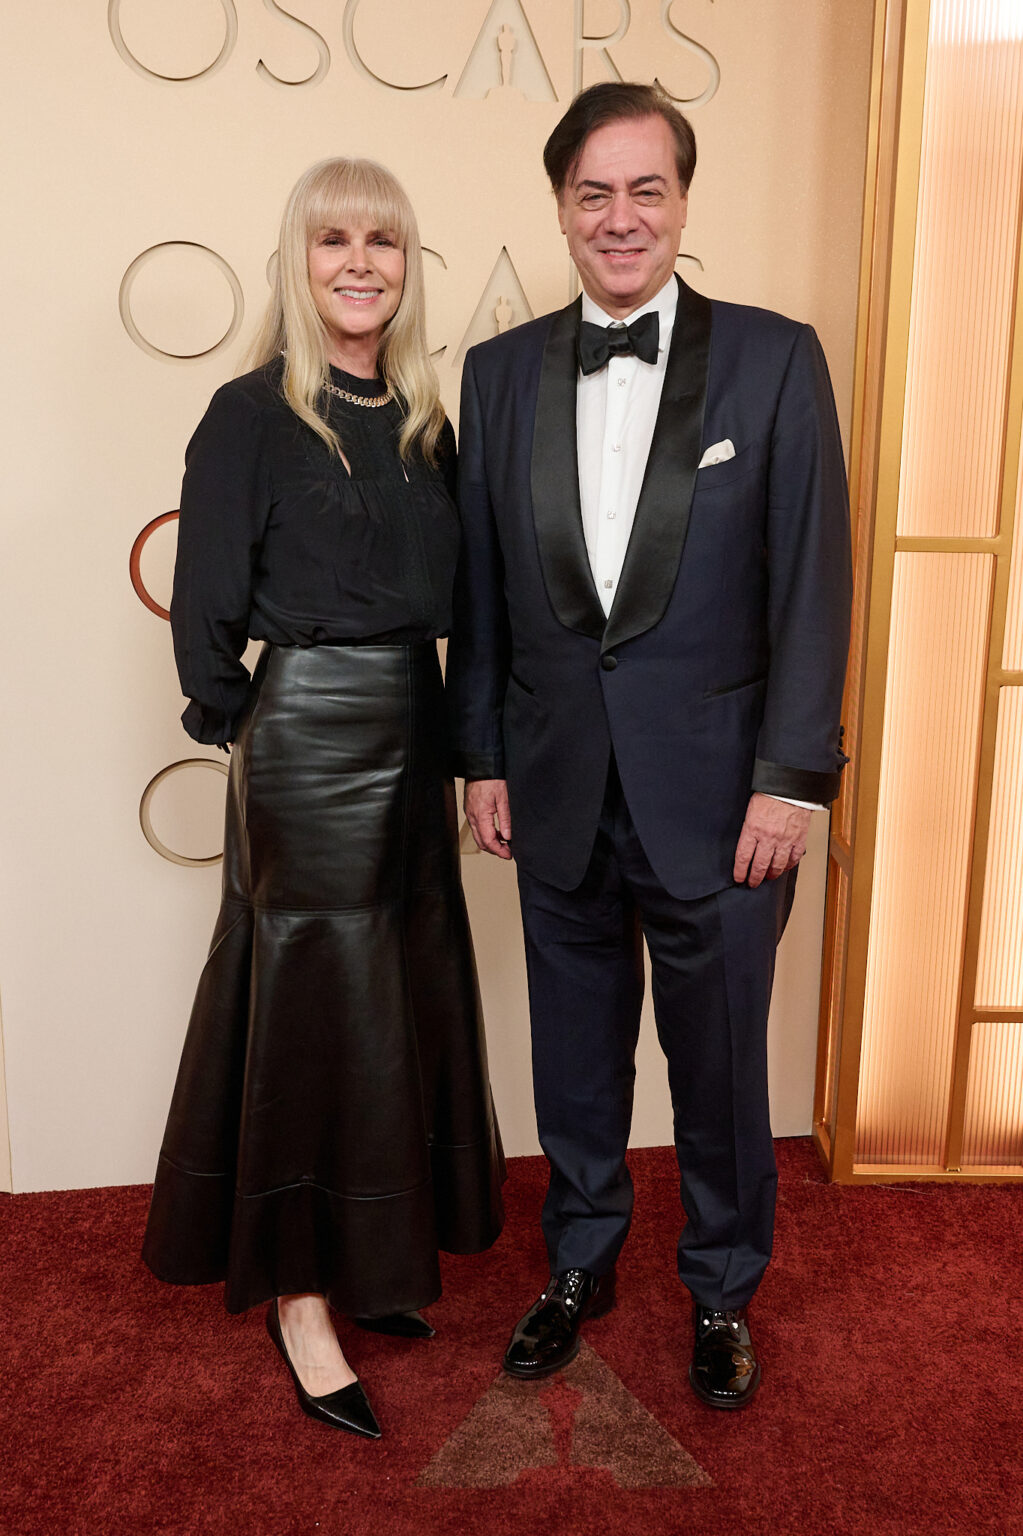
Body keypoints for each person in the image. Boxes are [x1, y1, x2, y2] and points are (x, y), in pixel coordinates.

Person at [446, 82, 851, 1410]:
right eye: (591, 193)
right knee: (571, 1055)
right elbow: (482, 594)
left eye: (645, 190)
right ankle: (577, 1264)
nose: (618, 218)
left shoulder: (774, 358)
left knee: (722, 1066)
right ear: (559, 207)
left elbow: (809, 582)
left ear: (680, 199)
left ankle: (722, 1288)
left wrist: (791, 781)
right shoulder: (498, 373)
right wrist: (481, 754)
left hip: (723, 801)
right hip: (554, 783)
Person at [142, 157, 505, 1439]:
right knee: (308, 1015)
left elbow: (462, 620)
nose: (361, 262)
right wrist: (250, 727)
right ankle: (301, 1299)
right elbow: (203, 617)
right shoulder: (249, 415)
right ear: (298, 260)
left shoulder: (423, 426)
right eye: (334, 240)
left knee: (394, 1001)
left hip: (415, 736)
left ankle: (371, 1260)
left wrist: (473, 756)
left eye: (386, 242)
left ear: (409, 266)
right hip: (306, 748)